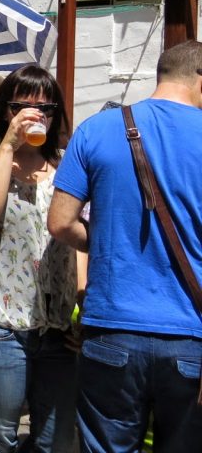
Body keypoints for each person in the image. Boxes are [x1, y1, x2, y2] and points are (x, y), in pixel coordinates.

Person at [49, 40, 202, 452]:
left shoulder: (96, 129)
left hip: (111, 329)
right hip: (191, 335)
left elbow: (61, 222)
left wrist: (110, 239)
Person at [0, 64, 77, 453]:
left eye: (45, 108)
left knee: (55, 440)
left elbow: (78, 236)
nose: (33, 116)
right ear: (5, 110)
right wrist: (7, 146)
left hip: (56, 325)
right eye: (21, 107)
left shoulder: (66, 164)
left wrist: (82, 303)